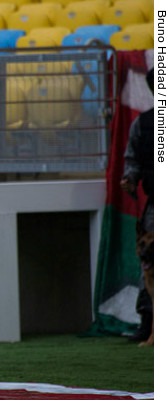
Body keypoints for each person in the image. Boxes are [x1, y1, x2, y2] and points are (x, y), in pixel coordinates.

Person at [120, 68, 153, 345]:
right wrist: (130, 179)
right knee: (150, 263)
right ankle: (149, 321)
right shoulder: (143, 125)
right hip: (156, 203)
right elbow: (132, 160)